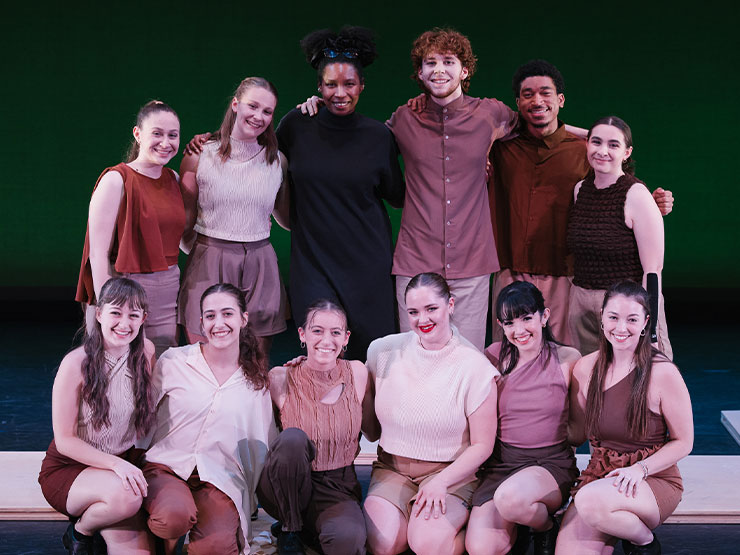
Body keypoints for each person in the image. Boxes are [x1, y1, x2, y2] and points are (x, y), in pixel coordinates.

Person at [187, 27, 404, 361]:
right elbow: (253, 152)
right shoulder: (297, 125)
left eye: (349, 84)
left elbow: (397, 195)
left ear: (362, 86)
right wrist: (212, 139)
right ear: (319, 87)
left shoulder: (379, 136)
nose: (340, 92)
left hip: (367, 263)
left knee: (373, 355)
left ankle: (368, 416)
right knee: (320, 352)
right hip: (313, 261)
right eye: (331, 84)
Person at [489, 60, 674, 345]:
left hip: (565, 277)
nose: (537, 100)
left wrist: (652, 203)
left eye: (546, 93)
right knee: (510, 357)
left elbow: (617, 184)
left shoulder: (581, 152)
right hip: (511, 271)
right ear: (517, 102)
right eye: (528, 94)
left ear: (560, 99)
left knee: (569, 365)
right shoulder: (500, 149)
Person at [363, 272, 498, 555]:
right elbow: (372, 430)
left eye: (431, 309)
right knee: (383, 543)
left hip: (450, 473)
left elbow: (483, 445)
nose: (422, 320)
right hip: (393, 469)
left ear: (450, 305)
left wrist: (441, 481)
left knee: (426, 543)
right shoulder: (382, 350)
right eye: (413, 312)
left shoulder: (475, 366)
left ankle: (470, 532)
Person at [556, 281, 692, 555]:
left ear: (645, 323)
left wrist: (638, 470)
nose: (621, 328)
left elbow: (684, 442)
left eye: (632, 319)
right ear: (602, 318)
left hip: (650, 478)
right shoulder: (585, 368)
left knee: (589, 501)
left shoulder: (663, 373)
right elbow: (577, 434)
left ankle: (644, 543)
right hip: (601, 476)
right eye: (614, 317)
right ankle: (617, 524)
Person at [141, 283, 277, 555]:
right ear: (202, 323)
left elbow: (261, 445)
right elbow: (143, 417)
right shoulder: (174, 361)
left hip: (219, 479)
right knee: (173, 517)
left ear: (243, 319)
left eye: (227, 314)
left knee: (216, 549)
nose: (219, 323)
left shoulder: (256, 383)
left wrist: (246, 502)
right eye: (211, 316)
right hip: (168, 467)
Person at [38, 277, 156, 555]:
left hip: (118, 467)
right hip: (70, 468)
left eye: (133, 315)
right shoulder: (75, 364)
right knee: (129, 496)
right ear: (99, 313)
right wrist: (118, 466)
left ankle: (103, 512)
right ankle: (81, 530)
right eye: (115, 312)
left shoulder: (146, 352)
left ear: (143, 319)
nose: (124, 324)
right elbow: (65, 441)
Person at [465, 281, 580, 555]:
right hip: (503, 464)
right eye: (509, 323)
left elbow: (579, 430)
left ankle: (544, 527)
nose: (519, 331)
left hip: (549, 465)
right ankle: (521, 523)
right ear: (500, 325)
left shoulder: (567, 359)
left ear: (544, 316)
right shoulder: (493, 356)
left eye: (527, 318)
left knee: (512, 500)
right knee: (481, 548)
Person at [178, 77, 289, 358]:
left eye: (267, 111)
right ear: (236, 104)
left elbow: (286, 220)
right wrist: (208, 254)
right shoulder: (199, 155)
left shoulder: (277, 161)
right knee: (201, 362)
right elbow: (183, 224)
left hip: (261, 264)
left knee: (255, 366)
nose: (259, 116)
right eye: (253, 106)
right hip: (209, 258)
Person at [257, 299, 371, 555]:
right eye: (317, 330)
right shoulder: (280, 376)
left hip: (336, 486)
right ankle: (289, 527)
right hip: (284, 485)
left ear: (346, 338)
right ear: (302, 334)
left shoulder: (358, 372)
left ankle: (308, 530)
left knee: (348, 540)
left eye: (335, 332)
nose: (325, 340)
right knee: (293, 439)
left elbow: (373, 429)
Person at [75, 100, 185, 357]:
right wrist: (108, 309)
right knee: (117, 366)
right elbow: (98, 254)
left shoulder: (174, 179)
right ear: (138, 134)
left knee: (160, 366)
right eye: (156, 133)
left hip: (168, 290)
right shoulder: (116, 180)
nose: (165, 142)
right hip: (124, 287)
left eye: (173, 135)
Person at [567, 116, 672, 358]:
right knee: (590, 385)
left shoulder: (636, 194)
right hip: (582, 306)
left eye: (614, 145)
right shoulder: (580, 190)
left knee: (637, 385)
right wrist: (592, 133)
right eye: (596, 142)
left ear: (627, 153)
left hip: (627, 306)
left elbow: (653, 271)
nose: (603, 151)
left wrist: (651, 329)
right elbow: (559, 127)